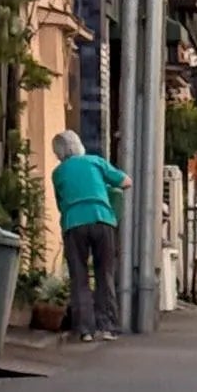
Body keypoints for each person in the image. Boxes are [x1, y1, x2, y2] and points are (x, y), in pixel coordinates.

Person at [51, 130, 129, 340]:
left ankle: (85, 330)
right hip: (102, 219)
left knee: (79, 277)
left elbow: (61, 203)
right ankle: (107, 327)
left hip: (73, 223)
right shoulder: (95, 162)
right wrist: (105, 188)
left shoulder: (58, 173)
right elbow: (125, 182)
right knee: (105, 274)